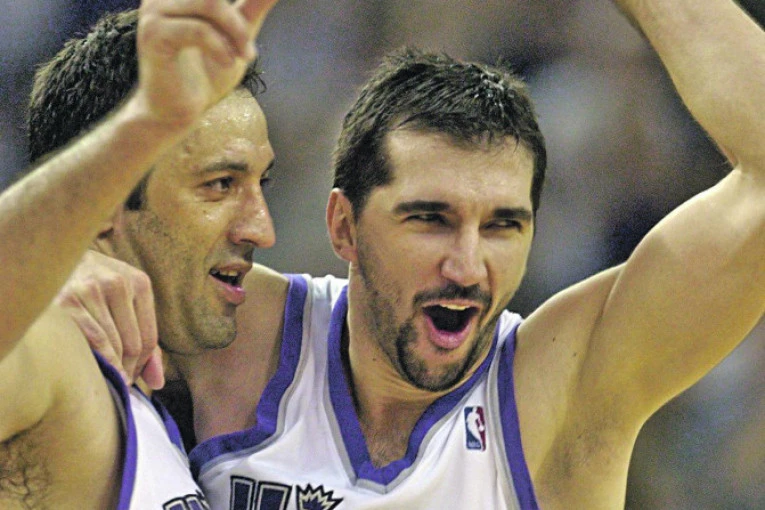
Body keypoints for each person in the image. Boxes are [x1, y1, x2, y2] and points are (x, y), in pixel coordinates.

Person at [63, 0, 764, 508]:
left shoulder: (560, 389)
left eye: (502, 226)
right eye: (430, 220)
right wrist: (78, 261)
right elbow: (79, 237)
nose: (467, 266)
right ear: (344, 226)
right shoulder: (239, 332)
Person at [0, 0, 278, 507]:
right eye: (220, 184)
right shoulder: (55, 351)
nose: (261, 229)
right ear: (104, 199)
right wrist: (148, 120)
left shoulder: (155, 400)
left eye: (262, 184)